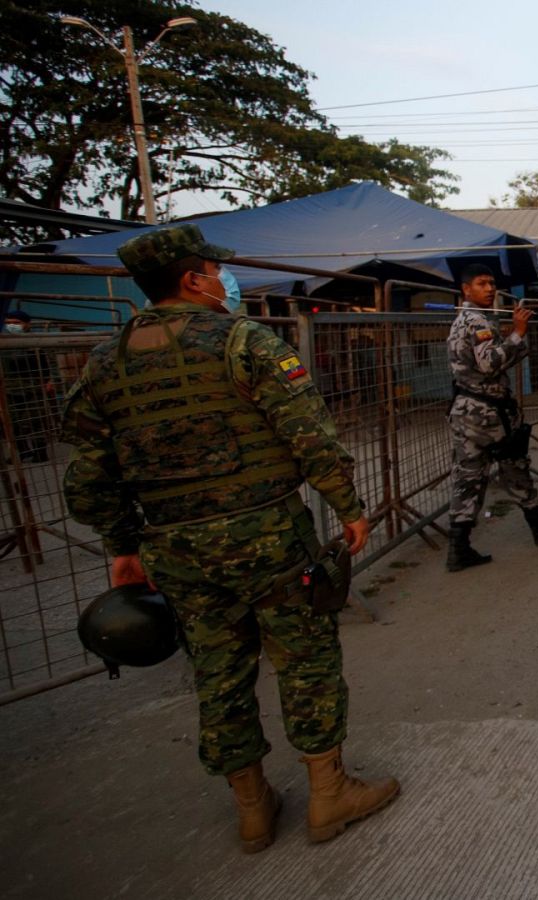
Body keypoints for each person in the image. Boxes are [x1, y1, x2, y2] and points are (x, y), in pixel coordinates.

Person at [59, 224, 397, 852]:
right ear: (192, 280)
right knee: (306, 660)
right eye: (214, 271)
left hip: (176, 549)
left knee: (217, 672)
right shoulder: (245, 342)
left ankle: (252, 810)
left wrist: (123, 546)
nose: (222, 280)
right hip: (267, 535)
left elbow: (89, 473)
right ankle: (329, 796)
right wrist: (348, 507)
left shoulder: (106, 362)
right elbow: (309, 435)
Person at [445, 263, 538, 571]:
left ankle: (459, 548)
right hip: (487, 413)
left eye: (491, 284)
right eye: (482, 283)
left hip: (467, 410)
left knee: (468, 478)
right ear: (466, 289)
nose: (489, 288)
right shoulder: (477, 322)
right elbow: (490, 364)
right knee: (514, 464)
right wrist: (518, 334)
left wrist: (512, 338)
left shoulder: (464, 320)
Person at [2, 309, 53, 462]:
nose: (11, 326)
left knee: (36, 420)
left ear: (26, 324)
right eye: (8, 323)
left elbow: (47, 363)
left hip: (33, 387)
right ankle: (22, 450)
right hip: (9, 388)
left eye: (16, 323)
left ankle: (40, 452)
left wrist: (49, 380)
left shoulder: (35, 341)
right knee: (12, 422)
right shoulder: (3, 340)